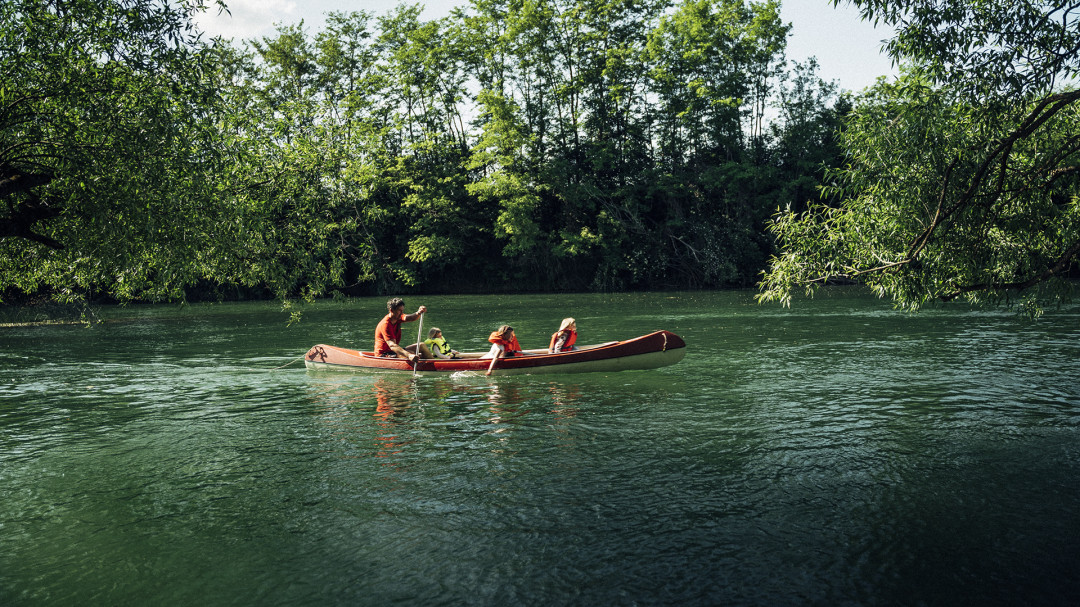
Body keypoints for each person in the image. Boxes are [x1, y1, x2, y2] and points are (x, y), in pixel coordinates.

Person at [374, 298, 432, 363]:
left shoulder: (398, 317)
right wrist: (409, 355)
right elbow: (392, 345)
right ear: (391, 310)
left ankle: (434, 364)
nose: (401, 313)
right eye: (399, 310)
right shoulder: (385, 324)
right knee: (412, 353)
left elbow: (411, 317)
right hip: (384, 355)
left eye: (402, 311)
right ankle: (431, 366)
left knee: (422, 345)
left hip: (394, 351)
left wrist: (419, 312)